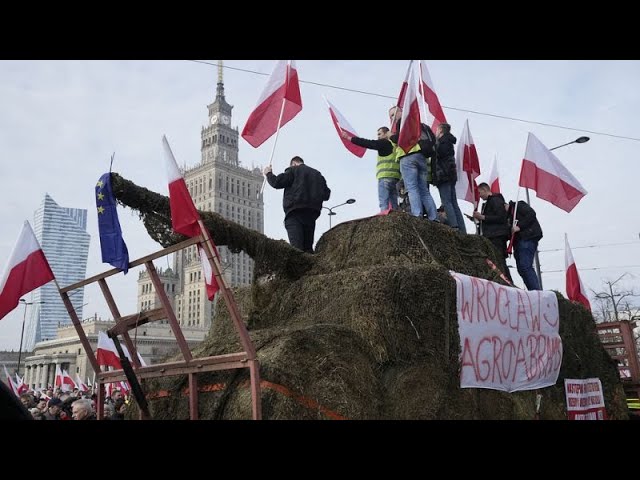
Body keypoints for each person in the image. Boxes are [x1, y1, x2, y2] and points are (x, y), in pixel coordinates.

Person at [264, 156, 331, 253]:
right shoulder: (317, 175)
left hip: (294, 213)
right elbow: (326, 195)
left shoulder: (293, 170)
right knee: (308, 248)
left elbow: (277, 183)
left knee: (296, 248)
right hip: (311, 214)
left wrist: (268, 173)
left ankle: (297, 267)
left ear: (294, 163)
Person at [388, 106, 437, 220]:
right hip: (421, 157)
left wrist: (391, 136)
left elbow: (401, 139)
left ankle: (417, 215)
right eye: (391, 116)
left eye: (393, 114)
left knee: (411, 188)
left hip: (408, 157)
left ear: (400, 112)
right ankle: (433, 217)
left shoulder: (403, 121)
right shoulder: (420, 124)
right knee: (424, 190)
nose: (393, 118)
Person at [341, 127, 400, 211]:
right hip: (395, 178)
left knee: (384, 205)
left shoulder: (383, 143)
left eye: (380, 134)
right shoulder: (395, 145)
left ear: (386, 133)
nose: (378, 137)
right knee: (394, 206)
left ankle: (383, 222)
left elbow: (368, 143)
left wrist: (349, 138)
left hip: (384, 177)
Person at [473, 182, 512, 283]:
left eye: (480, 192)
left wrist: (483, 217)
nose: (479, 196)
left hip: (497, 236)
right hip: (492, 235)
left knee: (499, 260)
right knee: (496, 260)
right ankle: (504, 281)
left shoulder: (495, 200)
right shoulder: (490, 202)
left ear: (485, 190)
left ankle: (508, 282)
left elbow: (501, 217)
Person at [433, 123, 466, 233]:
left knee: (447, 202)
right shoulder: (449, 141)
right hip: (451, 175)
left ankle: (454, 226)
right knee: (453, 202)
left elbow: (439, 156)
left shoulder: (443, 142)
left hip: (444, 175)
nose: (435, 132)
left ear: (441, 130)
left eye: (437, 130)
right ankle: (461, 228)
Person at [506, 200, 543, 290]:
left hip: (527, 238)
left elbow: (531, 214)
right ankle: (532, 290)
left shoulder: (518, 205)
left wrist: (519, 226)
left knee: (525, 266)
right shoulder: (508, 217)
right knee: (521, 269)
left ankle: (537, 291)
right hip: (517, 243)